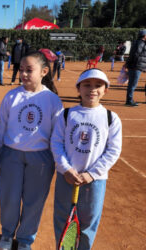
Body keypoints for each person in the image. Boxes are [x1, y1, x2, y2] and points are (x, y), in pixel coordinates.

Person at [0, 51, 63, 250]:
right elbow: (1, 125)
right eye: (21, 70)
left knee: (34, 202)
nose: (23, 74)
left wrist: (56, 160)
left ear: (43, 71)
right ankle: (7, 235)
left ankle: (25, 240)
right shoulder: (11, 96)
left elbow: (57, 133)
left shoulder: (52, 99)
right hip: (10, 155)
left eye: (29, 70)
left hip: (41, 159)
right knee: (9, 198)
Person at [51, 68, 122, 249]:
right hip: (66, 178)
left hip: (94, 182)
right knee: (61, 218)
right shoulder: (66, 115)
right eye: (87, 85)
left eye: (98, 85)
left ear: (105, 90)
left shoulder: (110, 118)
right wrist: (66, 169)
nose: (92, 89)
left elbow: (113, 150)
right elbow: (56, 143)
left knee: (89, 222)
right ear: (78, 89)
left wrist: (93, 174)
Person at [125, 29, 146, 107]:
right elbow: (136, 54)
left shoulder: (137, 42)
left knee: (132, 84)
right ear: (144, 36)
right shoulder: (141, 43)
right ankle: (129, 101)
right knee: (133, 84)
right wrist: (136, 65)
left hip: (135, 66)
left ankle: (129, 100)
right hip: (136, 66)